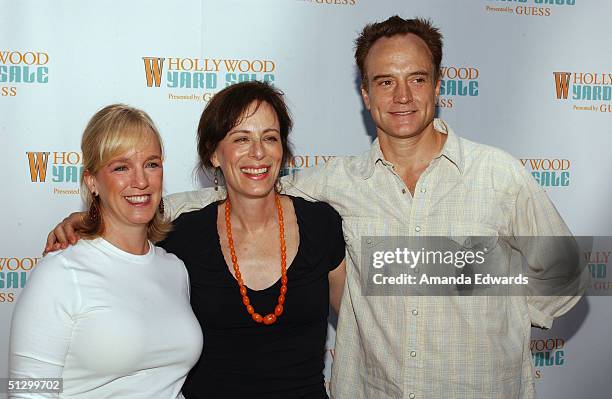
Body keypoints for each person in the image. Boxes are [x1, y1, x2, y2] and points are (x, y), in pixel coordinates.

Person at [45, 17, 584, 399]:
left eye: (416, 79)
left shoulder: (500, 175)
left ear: (438, 87)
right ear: (365, 96)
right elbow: (243, 190)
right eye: (384, 82)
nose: (401, 96)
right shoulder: (335, 186)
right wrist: (105, 215)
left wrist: (489, 297)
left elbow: (565, 277)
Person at [44, 82, 347, 399]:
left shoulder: (322, 225)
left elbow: (359, 324)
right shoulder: (180, 238)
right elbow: (130, 219)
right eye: (241, 139)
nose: (258, 152)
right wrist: (94, 219)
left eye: (269, 138)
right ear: (214, 154)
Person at [10, 104, 203, 398]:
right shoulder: (61, 272)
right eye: (121, 167)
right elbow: (26, 390)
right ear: (92, 181)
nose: (141, 181)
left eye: (151, 164)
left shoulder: (174, 269)